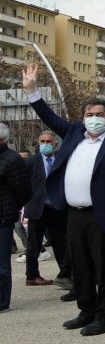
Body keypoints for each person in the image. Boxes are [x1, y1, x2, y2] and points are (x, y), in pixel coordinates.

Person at [23, 65, 105, 335]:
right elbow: (50, 118)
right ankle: (86, 311)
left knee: (104, 269)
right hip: (73, 214)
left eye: (99, 115)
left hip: (104, 215)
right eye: (89, 114)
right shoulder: (75, 133)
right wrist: (31, 92)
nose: (93, 118)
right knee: (81, 267)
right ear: (83, 117)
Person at [22, 131, 74, 289]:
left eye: (49, 141)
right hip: (38, 209)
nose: (45, 144)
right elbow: (23, 185)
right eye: (42, 141)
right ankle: (32, 276)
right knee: (34, 245)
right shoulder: (31, 162)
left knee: (60, 244)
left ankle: (65, 274)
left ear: (55, 144)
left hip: (56, 209)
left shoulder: (61, 161)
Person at [0, 123, 32, 313]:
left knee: (2, 265)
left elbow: (24, 191)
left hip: (2, 219)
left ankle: (2, 302)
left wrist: (11, 208)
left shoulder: (12, 159)